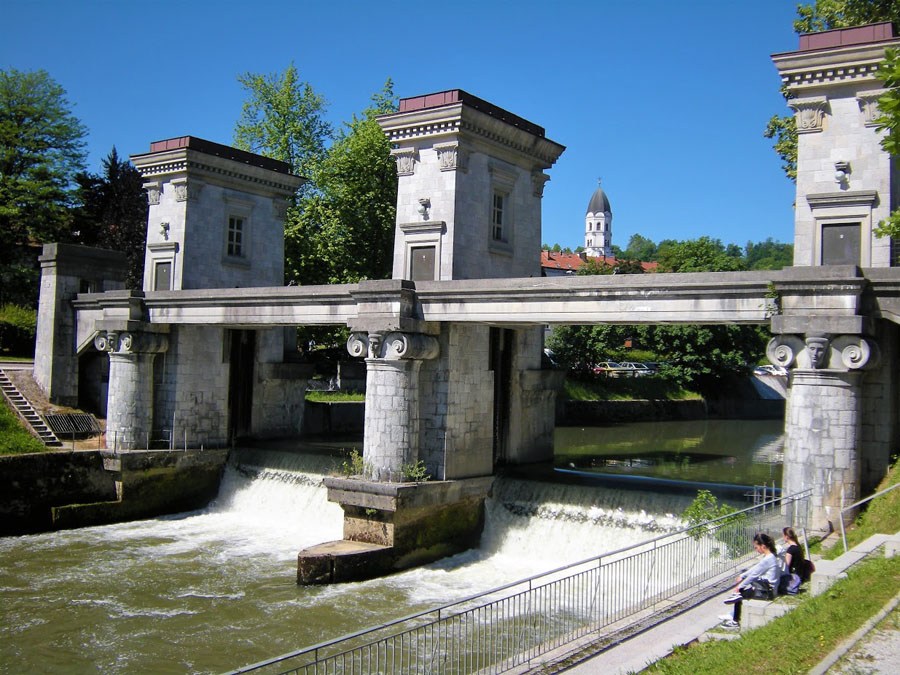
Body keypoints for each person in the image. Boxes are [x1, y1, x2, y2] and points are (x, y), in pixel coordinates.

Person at [719, 532, 780, 627]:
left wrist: (739, 586)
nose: (756, 550)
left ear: (763, 546)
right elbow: (756, 568)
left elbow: (754, 575)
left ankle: (735, 621)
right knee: (740, 592)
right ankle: (734, 613)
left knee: (739, 594)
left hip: (767, 592)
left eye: (756, 547)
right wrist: (743, 575)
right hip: (768, 588)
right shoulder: (770, 556)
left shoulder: (768, 559)